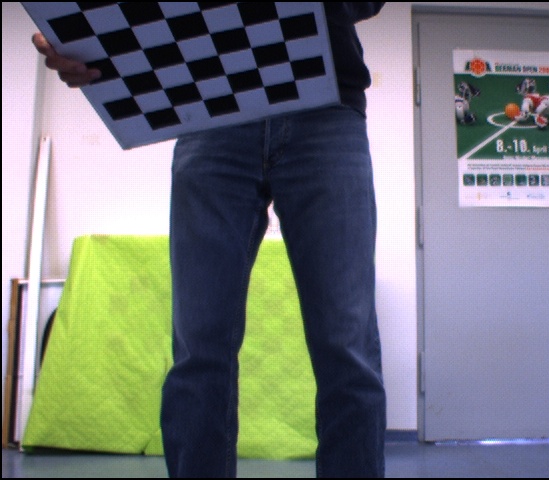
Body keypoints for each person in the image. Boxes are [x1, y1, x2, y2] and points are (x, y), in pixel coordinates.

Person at [32, 3, 386, 477]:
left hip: (325, 106)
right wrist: (87, 40)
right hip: (212, 109)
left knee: (347, 346)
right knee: (200, 349)